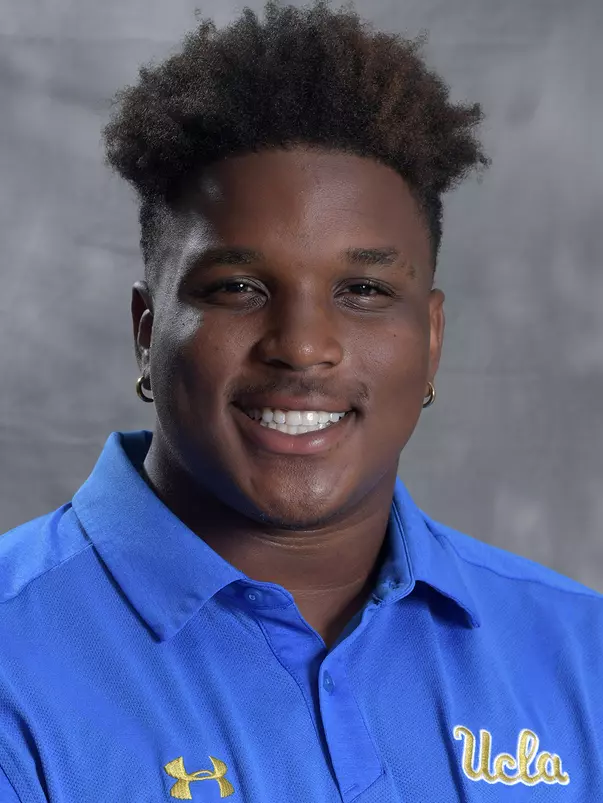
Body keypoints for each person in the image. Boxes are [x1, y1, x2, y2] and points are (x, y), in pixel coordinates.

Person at [1, 1, 601, 800]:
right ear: (147, 331)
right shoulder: (16, 659)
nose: (303, 345)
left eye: (363, 290)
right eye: (237, 287)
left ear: (430, 339)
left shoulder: (580, 654)